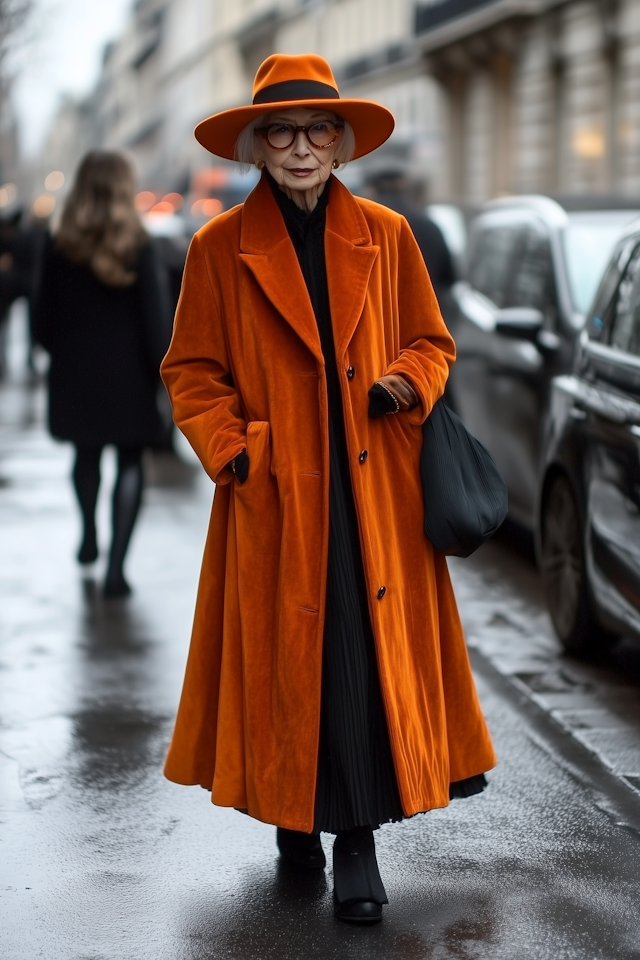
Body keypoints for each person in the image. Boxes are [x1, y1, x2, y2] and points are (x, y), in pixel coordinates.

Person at [161, 54, 496, 923]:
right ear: (256, 147)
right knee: (287, 668)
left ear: (342, 144)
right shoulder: (216, 248)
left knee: (356, 660)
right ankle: (293, 821)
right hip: (276, 496)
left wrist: (403, 384)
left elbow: (432, 340)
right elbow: (190, 370)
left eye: (317, 130)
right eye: (280, 131)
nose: (301, 147)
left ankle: (356, 846)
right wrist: (235, 451)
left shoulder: (386, 234)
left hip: (373, 494)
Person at [34, 151, 172, 597]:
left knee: (85, 456)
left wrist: (59, 353)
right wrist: (164, 377)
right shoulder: (140, 246)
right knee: (131, 461)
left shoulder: (58, 246)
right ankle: (116, 569)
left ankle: (90, 532)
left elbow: (42, 320)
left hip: (75, 374)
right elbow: (157, 323)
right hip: (129, 376)